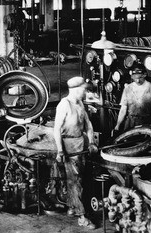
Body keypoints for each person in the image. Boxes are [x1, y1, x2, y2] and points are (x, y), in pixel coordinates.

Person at [53, 76, 97, 230]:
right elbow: (56, 129)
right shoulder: (64, 105)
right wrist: (60, 150)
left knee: (80, 179)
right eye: (84, 90)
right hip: (69, 146)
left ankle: (72, 206)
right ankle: (82, 216)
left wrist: (91, 142)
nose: (85, 93)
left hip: (80, 145)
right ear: (77, 89)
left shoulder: (80, 104)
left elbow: (88, 126)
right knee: (75, 181)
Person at [114, 63, 151, 132]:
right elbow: (123, 109)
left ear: (144, 75)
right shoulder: (128, 88)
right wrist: (118, 124)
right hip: (130, 123)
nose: (138, 80)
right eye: (135, 78)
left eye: (140, 78)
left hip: (146, 124)